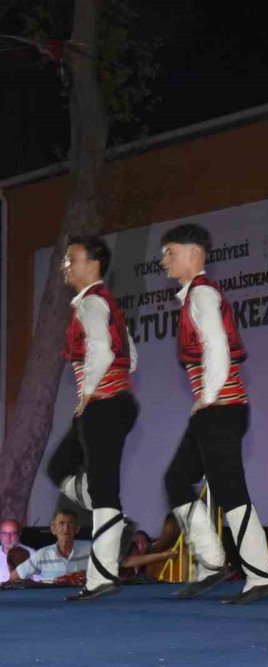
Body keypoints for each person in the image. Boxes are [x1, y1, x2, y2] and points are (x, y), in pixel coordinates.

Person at [160, 223, 268, 605]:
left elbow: (216, 346)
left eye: (171, 252)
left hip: (221, 408)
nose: (165, 261)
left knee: (230, 491)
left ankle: (259, 575)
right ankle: (212, 561)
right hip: (215, 410)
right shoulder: (194, 295)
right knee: (178, 478)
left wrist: (208, 396)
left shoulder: (203, 293)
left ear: (194, 254)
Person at [45, 235, 139, 601]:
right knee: (61, 469)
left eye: (71, 259)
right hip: (112, 403)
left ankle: (101, 577)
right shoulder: (102, 303)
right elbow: (130, 353)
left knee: (101, 487)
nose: (65, 266)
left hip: (103, 403)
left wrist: (89, 392)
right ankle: (113, 517)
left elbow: (101, 348)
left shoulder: (92, 303)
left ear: (93, 265)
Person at [11, 510, 91, 583]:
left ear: (77, 529)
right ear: (53, 530)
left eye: (70, 524)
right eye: (61, 524)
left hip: (82, 598)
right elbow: (14, 577)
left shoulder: (90, 549)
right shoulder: (42, 554)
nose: (66, 528)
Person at [1, 519, 35, 583]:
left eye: (13, 533)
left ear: (19, 534)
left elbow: (39, 582)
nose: (8, 537)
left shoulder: (32, 553)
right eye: (4, 533)